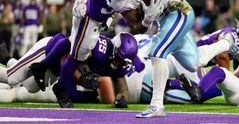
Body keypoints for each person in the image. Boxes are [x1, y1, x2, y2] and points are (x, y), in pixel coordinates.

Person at [2, 32, 139, 108]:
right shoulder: (97, 49)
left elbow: (122, 87)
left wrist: (122, 99)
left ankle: (8, 59)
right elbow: (66, 56)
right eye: (120, 59)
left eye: (125, 62)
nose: (121, 64)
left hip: (58, 69)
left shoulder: (120, 66)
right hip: (49, 52)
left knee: (30, 87)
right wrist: (81, 78)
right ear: (114, 49)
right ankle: (7, 59)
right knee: (11, 78)